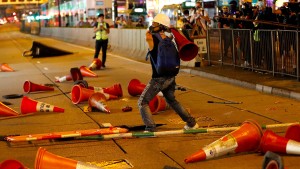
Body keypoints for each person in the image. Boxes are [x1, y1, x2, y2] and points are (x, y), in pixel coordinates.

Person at [138, 13, 199, 132]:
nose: (151, 25)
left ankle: (150, 128)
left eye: (153, 23)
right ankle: (191, 124)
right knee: (172, 101)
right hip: (171, 77)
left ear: (158, 25)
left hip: (158, 78)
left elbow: (147, 36)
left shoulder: (151, 38)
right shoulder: (169, 39)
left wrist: (150, 31)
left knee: (142, 102)